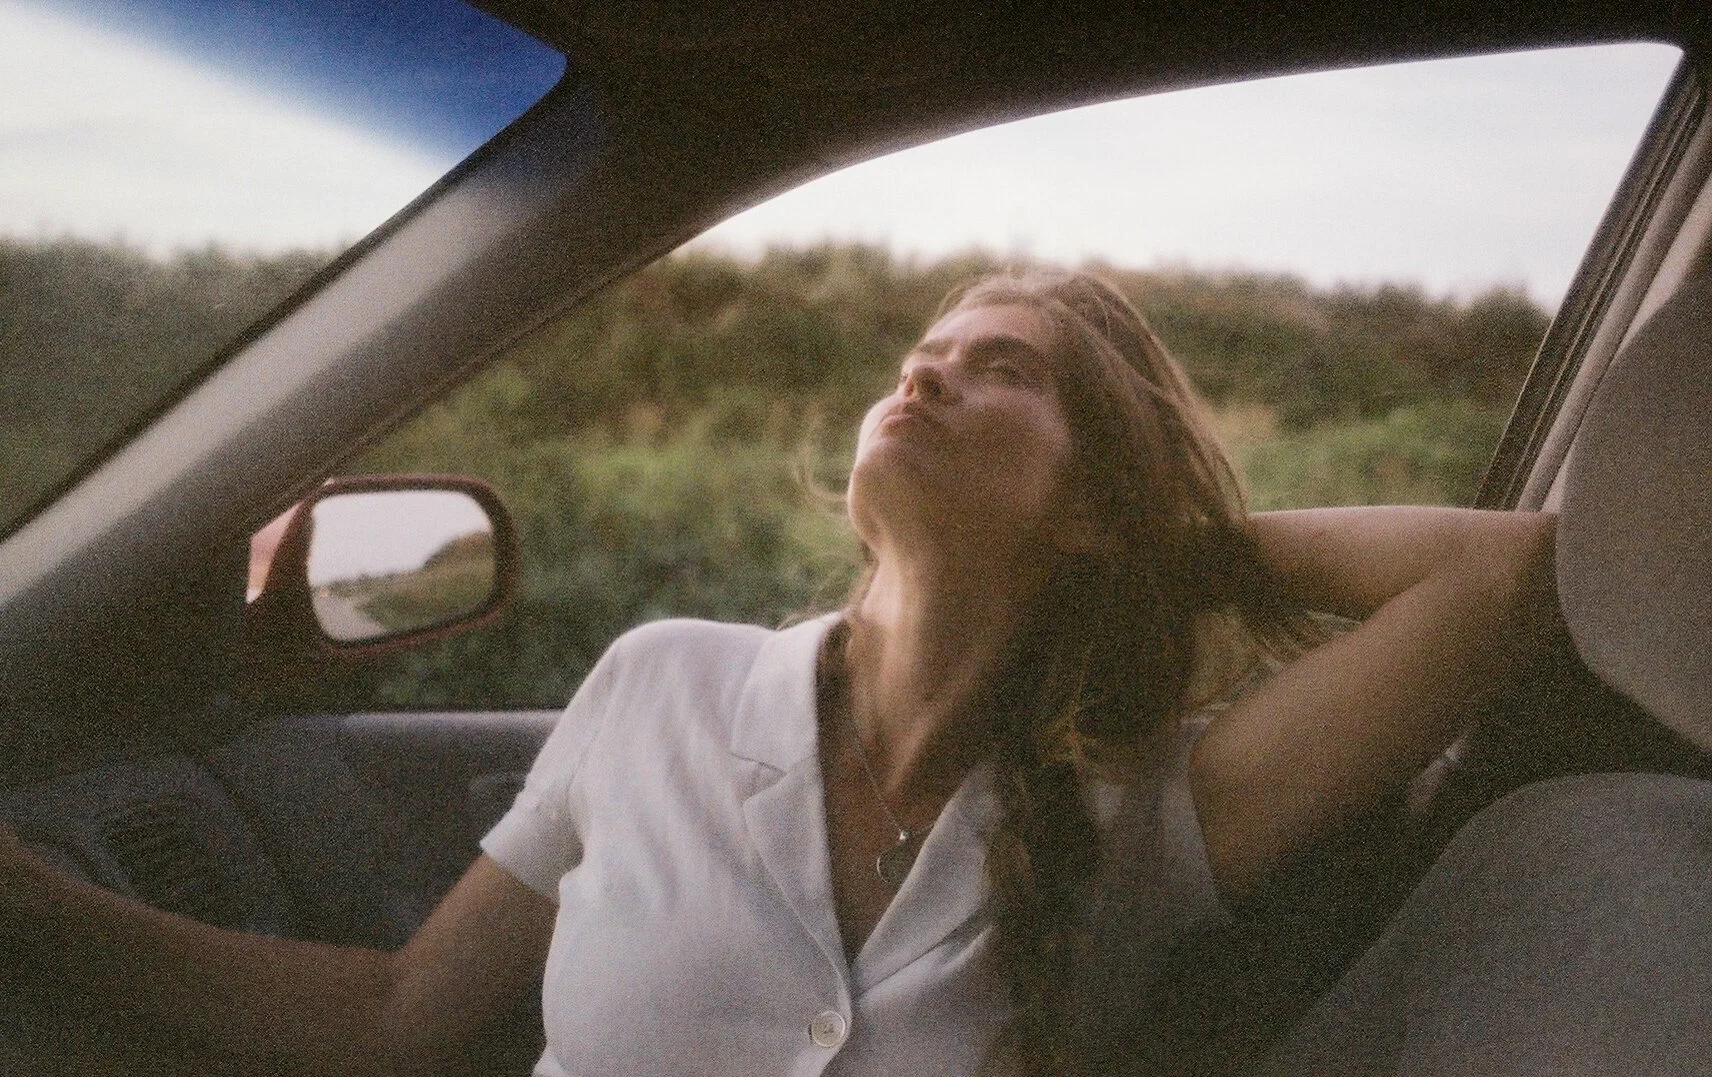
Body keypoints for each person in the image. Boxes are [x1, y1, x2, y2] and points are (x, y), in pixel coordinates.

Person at [0, 270, 1558, 1076]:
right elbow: (397, 1017)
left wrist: (1155, 539)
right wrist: (37, 906)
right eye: (922, 352)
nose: (924, 369)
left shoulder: (1146, 808)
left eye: (1003, 368)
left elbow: (1494, 579)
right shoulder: (659, 684)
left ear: (1096, 498)